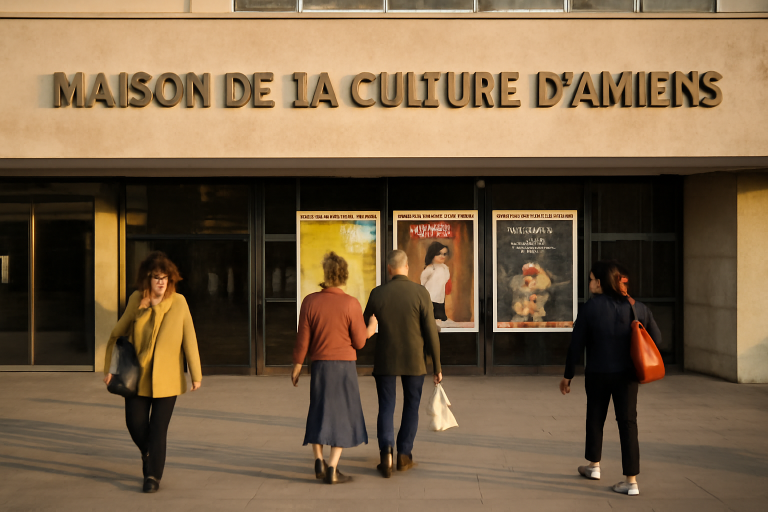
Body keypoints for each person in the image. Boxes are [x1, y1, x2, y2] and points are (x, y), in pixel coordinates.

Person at [103, 251, 202, 493]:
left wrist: (196, 374)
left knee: (159, 428)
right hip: (137, 378)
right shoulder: (137, 299)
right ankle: (148, 453)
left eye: (165, 277)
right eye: (156, 277)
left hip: (167, 378)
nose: (160, 282)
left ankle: (152, 477)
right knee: (134, 423)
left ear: (171, 279)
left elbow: (189, 339)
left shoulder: (179, 302)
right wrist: (110, 369)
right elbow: (117, 334)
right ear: (147, 279)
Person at [560, 260, 661, 496]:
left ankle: (594, 466)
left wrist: (568, 375)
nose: (590, 283)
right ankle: (631, 481)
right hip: (627, 376)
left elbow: (576, 345)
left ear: (600, 281)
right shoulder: (638, 308)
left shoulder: (590, 308)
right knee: (628, 424)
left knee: (595, 418)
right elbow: (657, 339)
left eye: (592, 278)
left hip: (597, 373)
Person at [291, 252, 378, 485]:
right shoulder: (351, 303)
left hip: (319, 366)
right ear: (344, 276)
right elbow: (359, 342)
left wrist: (297, 365)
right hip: (344, 367)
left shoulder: (309, 301)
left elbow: (303, 339)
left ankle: (318, 459)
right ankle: (332, 467)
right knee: (342, 415)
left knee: (318, 411)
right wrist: (371, 327)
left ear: (325, 275)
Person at [364, 249, 442, 478]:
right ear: (406, 267)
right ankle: (404, 455)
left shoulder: (377, 293)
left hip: (385, 360)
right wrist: (437, 366)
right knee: (411, 405)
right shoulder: (420, 293)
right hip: (414, 360)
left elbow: (364, 324)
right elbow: (430, 332)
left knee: (386, 406)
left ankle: (386, 453)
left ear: (389, 269)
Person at [420, 241, 451, 323]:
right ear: (432, 254)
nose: (442, 256)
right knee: (430, 315)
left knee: (441, 314)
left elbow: (446, 279)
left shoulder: (445, 268)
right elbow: (423, 281)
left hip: (441, 295)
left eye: (444, 254)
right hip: (430, 296)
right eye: (439, 254)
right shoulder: (430, 268)